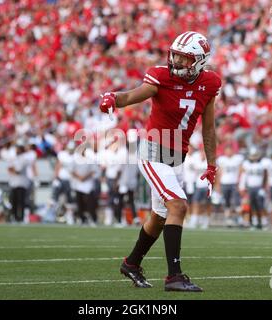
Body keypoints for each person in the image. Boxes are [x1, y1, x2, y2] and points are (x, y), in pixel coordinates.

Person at [99, 31, 221, 292]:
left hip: (177, 159)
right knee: (178, 206)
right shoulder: (161, 76)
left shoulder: (210, 83)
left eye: (184, 58)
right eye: (175, 55)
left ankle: (131, 263)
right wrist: (113, 98)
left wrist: (212, 165)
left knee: (159, 217)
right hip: (153, 153)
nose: (176, 62)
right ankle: (174, 276)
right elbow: (134, 95)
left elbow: (208, 129)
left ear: (199, 61)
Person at [239, 147, 267, 230]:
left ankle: (263, 221)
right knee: (251, 206)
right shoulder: (246, 164)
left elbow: (265, 176)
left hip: (259, 187)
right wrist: (242, 187)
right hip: (250, 187)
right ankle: (254, 222)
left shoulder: (262, 163)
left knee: (261, 206)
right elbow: (243, 176)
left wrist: (264, 187)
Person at [215, 145, 244, 227]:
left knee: (237, 202)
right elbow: (219, 173)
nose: (228, 152)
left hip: (234, 183)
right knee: (226, 202)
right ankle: (228, 220)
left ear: (232, 151)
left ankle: (240, 219)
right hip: (224, 183)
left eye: (230, 150)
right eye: (227, 150)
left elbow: (242, 171)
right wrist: (218, 184)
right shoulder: (222, 160)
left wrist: (240, 183)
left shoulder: (238, 159)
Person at [8, 144, 31, 223]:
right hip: (14, 183)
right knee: (13, 201)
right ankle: (13, 217)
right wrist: (13, 169)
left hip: (22, 183)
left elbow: (18, 170)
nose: (16, 151)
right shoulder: (14, 159)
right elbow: (9, 169)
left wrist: (13, 169)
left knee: (21, 201)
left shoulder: (24, 159)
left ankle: (21, 218)